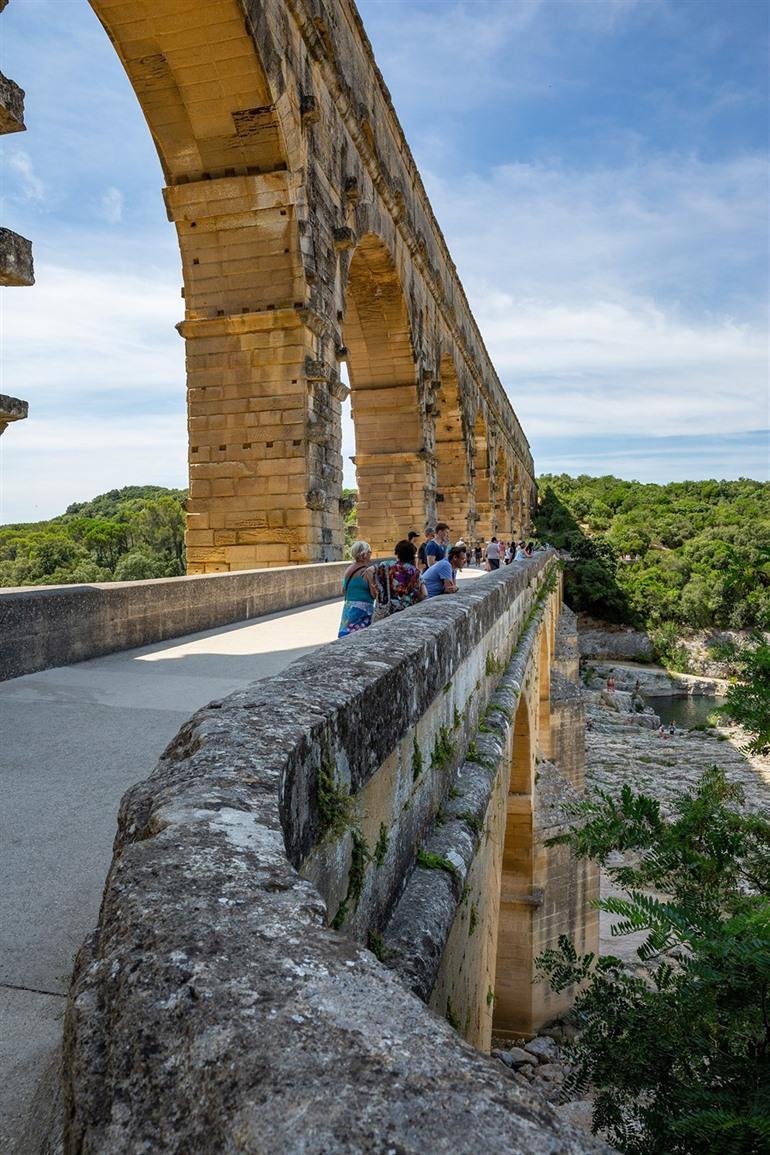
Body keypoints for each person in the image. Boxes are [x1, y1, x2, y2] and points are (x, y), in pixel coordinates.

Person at [373, 539, 426, 615]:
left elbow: (377, 584)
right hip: (405, 610)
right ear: (412, 555)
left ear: (397, 553)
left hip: (385, 610)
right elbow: (424, 594)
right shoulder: (414, 571)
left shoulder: (384, 566)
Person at [338, 540, 377, 637]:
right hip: (363, 610)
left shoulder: (349, 569)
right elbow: (374, 594)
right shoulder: (367, 571)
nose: (370, 554)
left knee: (347, 637)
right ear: (364, 554)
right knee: (361, 637)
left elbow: (343, 591)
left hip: (349, 607)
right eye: (369, 552)